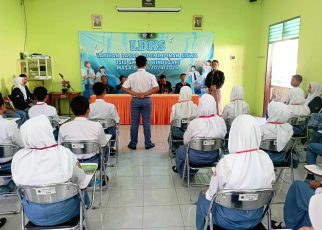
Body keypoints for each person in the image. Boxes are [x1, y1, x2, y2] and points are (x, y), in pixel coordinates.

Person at [196, 115, 275, 230]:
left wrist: (206, 192)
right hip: (255, 218)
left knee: (203, 197)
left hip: (226, 220)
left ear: (234, 134)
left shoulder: (226, 163)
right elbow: (269, 185)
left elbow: (211, 194)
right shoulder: (266, 160)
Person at [11, 115, 87, 227]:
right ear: (48, 131)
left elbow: (19, 185)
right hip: (67, 211)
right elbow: (80, 179)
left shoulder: (18, 158)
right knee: (82, 191)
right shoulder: (64, 153)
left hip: (33, 215)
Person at [172, 94, 227, 178]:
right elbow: (223, 136)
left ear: (200, 105)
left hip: (194, 157)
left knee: (180, 151)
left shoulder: (194, 123)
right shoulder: (220, 121)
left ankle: (186, 174)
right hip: (214, 157)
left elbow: (186, 140)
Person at [122, 55, 159, 150]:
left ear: (136, 64)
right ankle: (148, 143)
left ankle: (133, 144)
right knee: (147, 122)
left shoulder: (131, 76)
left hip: (135, 100)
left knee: (134, 122)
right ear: (146, 64)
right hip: (147, 100)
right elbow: (156, 88)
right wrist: (145, 94)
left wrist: (135, 94)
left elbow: (124, 87)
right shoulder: (151, 76)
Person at [58, 96, 108, 165]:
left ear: (72, 110)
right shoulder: (97, 125)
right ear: (88, 110)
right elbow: (103, 144)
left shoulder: (63, 127)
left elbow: (60, 146)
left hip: (72, 163)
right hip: (93, 162)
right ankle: (103, 173)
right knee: (105, 147)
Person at [88, 82, 120, 154]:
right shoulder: (111, 106)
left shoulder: (89, 107)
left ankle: (94, 147)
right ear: (105, 92)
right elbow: (117, 120)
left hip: (93, 131)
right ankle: (111, 147)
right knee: (115, 126)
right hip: (109, 131)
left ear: (93, 92)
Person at [169, 86, 198, 152]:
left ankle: (175, 148)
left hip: (178, 134)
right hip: (192, 134)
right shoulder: (195, 107)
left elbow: (171, 122)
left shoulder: (175, 107)